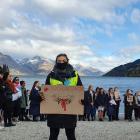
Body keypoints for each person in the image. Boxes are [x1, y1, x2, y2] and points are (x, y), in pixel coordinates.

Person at [45, 53, 83, 140]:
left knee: (71, 135)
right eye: (59, 61)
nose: (61, 62)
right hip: (54, 111)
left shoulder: (75, 74)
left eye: (63, 61)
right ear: (56, 62)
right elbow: (46, 90)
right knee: (53, 135)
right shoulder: (51, 75)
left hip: (70, 110)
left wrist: (82, 100)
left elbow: (80, 90)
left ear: (67, 61)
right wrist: (42, 97)